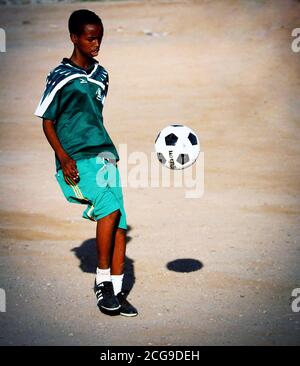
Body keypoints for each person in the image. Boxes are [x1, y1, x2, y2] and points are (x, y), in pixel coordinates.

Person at [34, 9, 137, 317]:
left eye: (100, 38)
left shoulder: (102, 75)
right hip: (76, 158)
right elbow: (48, 121)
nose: (96, 44)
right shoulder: (60, 75)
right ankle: (102, 282)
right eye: (91, 38)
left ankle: (117, 294)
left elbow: (95, 118)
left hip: (105, 155)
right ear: (74, 38)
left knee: (119, 224)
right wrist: (63, 158)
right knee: (109, 207)